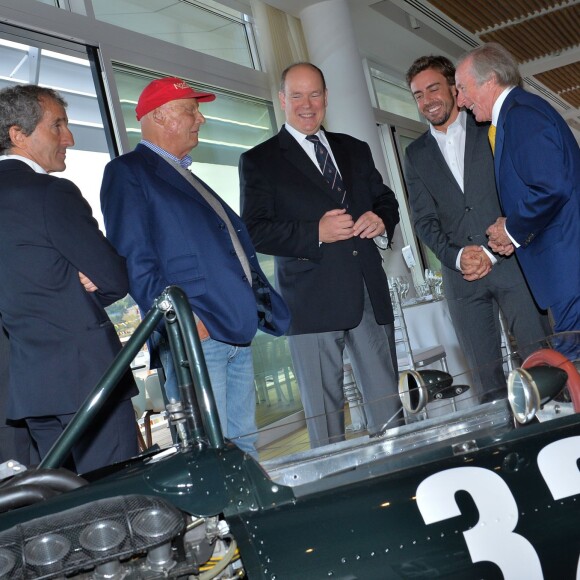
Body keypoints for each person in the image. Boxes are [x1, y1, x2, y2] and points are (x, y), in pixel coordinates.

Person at [100, 77, 290, 457]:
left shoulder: (186, 175)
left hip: (233, 328)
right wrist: (184, 322)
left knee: (243, 441)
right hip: (197, 333)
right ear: (158, 116)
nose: (199, 119)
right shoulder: (129, 172)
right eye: (190, 110)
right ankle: (221, 517)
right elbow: (136, 261)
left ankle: (248, 514)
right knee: (208, 447)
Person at [239, 62, 401, 448]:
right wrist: (316, 232)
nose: (306, 104)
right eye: (297, 95)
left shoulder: (355, 149)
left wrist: (380, 219)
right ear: (282, 100)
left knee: (388, 408)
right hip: (310, 305)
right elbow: (255, 229)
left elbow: (386, 201)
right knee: (326, 424)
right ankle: (336, 488)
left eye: (314, 95)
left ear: (326, 98)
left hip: (367, 294)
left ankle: (400, 474)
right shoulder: (259, 160)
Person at [0, 85, 137, 473]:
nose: (69, 138)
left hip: (32, 390)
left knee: (63, 506)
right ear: (18, 135)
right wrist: (85, 278)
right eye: (57, 125)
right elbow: (112, 276)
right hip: (88, 381)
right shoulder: (50, 193)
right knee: (113, 500)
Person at [404, 56, 549, 403]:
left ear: (454, 87)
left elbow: (517, 191)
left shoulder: (489, 126)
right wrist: (455, 257)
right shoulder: (414, 154)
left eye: (434, 88)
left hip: (511, 263)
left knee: (539, 362)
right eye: (418, 94)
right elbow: (423, 220)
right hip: (461, 280)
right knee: (487, 381)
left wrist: (489, 248)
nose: (428, 100)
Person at [455, 43, 580, 360]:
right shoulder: (515, 115)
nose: (460, 100)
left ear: (490, 80)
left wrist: (512, 229)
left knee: (571, 365)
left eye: (462, 88)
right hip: (564, 265)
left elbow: (552, 187)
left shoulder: (521, 115)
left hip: (568, 267)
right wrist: (515, 232)